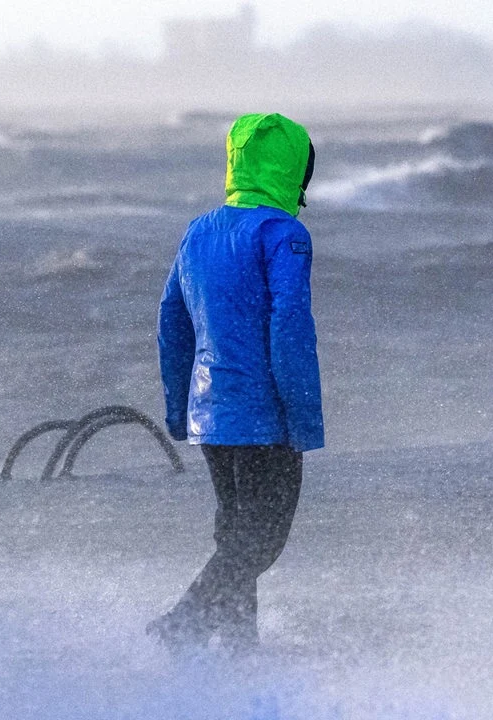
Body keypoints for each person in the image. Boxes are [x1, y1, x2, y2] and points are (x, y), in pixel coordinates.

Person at [150, 113, 322, 655]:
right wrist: (301, 419)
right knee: (261, 540)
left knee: (235, 540)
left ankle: (238, 658)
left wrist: (181, 410)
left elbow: (170, 322)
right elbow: (289, 326)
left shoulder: (199, 231)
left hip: (213, 417)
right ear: (294, 168)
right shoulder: (282, 234)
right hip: (263, 418)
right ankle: (184, 621)